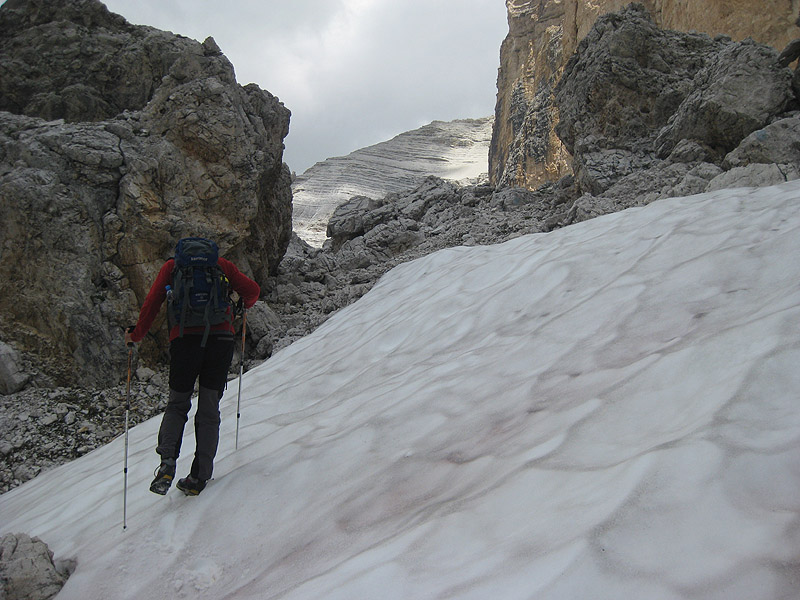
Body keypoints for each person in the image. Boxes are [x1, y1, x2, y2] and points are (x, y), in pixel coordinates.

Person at [125, 238, 260, 496]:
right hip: (220, 340)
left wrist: (137, 334)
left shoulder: (173, 268)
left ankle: (167, 464)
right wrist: (244, 307)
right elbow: (252, 290)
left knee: (178, 404)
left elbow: (153, 302)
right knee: (209, 408)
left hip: (185, 340)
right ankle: (199, 477)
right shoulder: (222, 266)